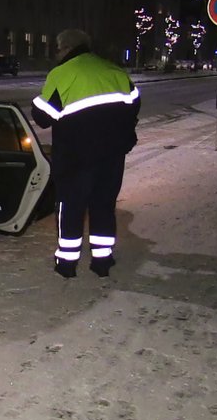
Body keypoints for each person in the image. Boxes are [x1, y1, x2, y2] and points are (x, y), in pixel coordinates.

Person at [32, 29, 140, 278]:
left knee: (71, 207)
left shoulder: (63, 73)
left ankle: (67, 264)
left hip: (75, 157)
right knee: (103, 205)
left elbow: (42, 118)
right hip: (112, 156)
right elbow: (134, 104)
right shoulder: (114, 71)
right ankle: (102, 262)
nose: (57, 54)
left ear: (65, 48)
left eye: (58, 49)